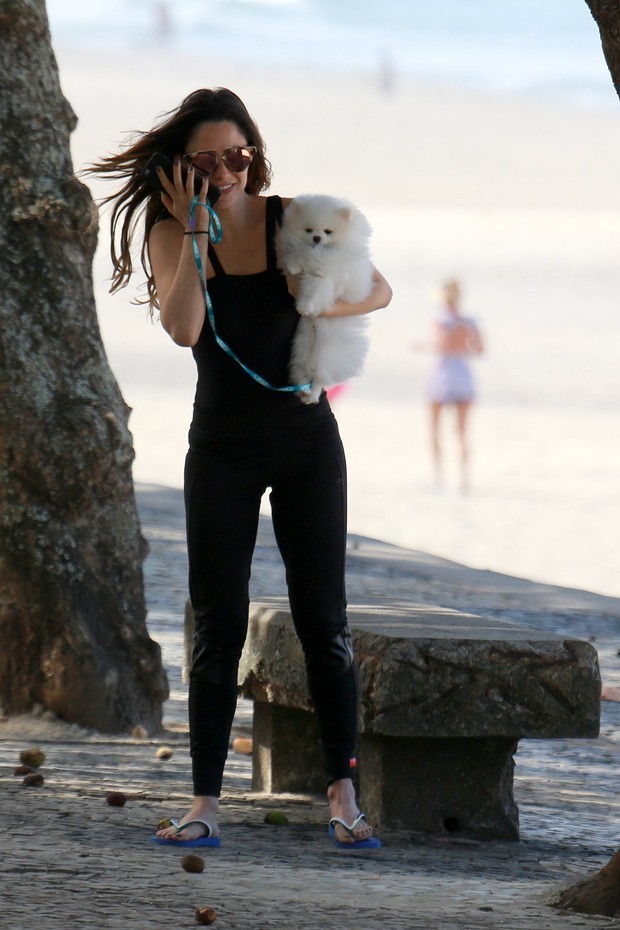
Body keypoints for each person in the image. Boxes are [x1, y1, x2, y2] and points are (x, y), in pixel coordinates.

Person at [88, 87, 392, 848]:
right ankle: (204, 805)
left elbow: (379, 289)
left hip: (306, 440)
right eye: (207, 161)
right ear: (180, 168)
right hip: (222, 448)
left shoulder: (294, 217)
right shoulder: (172, 231)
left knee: (325, 621)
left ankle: (344, 797)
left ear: (254, 156)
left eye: (238, 156)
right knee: (217, 627)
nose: (225, 172)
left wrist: (315, 301)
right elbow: (185, 327)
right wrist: (196, 231)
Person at [425, 278, 483, 493]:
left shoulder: (440, 320)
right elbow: (480, 349)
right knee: (462, 433)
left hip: (442, 375)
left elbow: (442, 345)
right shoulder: (469, 321)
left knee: (435, 430)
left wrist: (423, 346)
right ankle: (464, 479)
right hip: (463, 374)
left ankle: (439, 477)